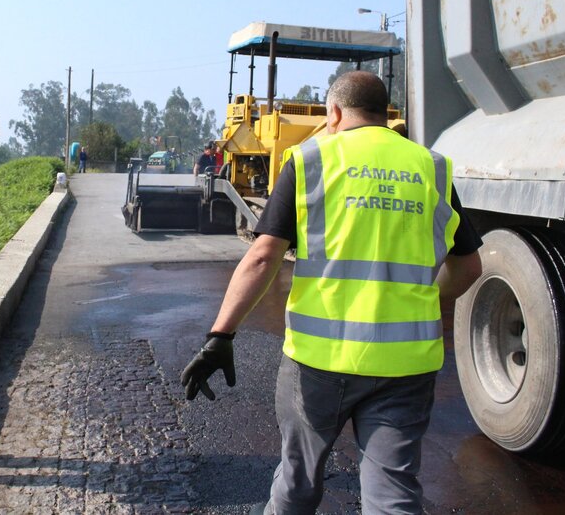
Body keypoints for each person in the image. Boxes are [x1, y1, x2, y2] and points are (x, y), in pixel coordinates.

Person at [181, 71, 483, 515]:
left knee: (298, 482)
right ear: (385, 116)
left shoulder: (309, 161)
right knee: (393, 494)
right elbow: (468, 267)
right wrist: (423, 299)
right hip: (406, 365)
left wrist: (221, 335)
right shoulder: (431, 167)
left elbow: (263, 257)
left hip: (319, 363)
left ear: (335, 113)